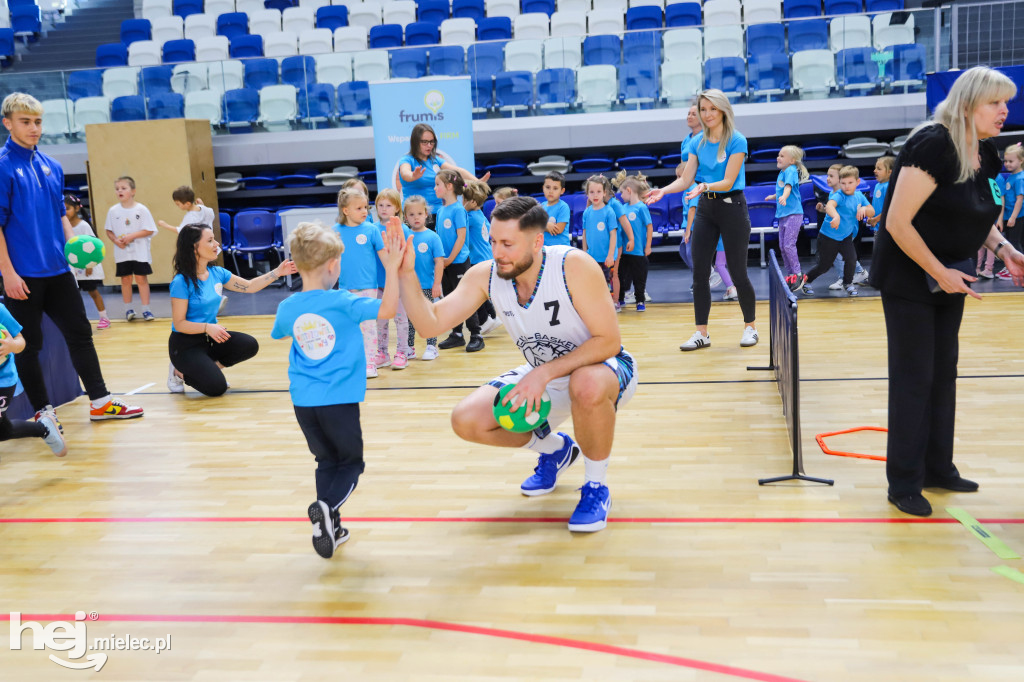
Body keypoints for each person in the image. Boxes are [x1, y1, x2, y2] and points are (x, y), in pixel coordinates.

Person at [398, 196, 638, 533]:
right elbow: (430, 324)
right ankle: (556, 451)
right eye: (493, 241)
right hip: (545, 374)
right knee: (467, 419)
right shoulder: (487, 275)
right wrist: (406, 274)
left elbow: (608, 342)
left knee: (585, 383)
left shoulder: (574, 265)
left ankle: (596, 487)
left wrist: (542, 373)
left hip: (603, 369)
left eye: (508, 243)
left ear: (537, 241)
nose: (498, 252)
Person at [869, 66, 1024, 516]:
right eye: (996, 102)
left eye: (1006, 103)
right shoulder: (932, 144)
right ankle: (903, 481)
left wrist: (1004, 249)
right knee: (914, 376)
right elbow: (897, 222)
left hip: (950, 276)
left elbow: (974, 216)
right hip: (909, 278)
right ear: (968, 103)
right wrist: (940, 269)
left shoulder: (987, 153)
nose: (1004, 111)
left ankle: (938, 467)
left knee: (943, 373)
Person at [0, 93, 144, 424]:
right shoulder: (3, 168)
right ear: (8, 124)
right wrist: (7, 272)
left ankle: (100, 401)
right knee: (29, 344)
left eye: (37, 122)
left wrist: (78, 251)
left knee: (80, 334)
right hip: (22, 275)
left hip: (59, 269)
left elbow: (59, 215)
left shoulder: (53, 166)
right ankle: (42, 412)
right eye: (25, 122)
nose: (34, 128)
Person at [272, 220, 406, 559]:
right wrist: (391, 269)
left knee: (325, 461)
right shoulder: (344, 301)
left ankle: (332, 526)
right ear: (333, 265)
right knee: (350, 463)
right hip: (339, 401)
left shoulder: (288, 307)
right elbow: (387, 310)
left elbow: (279, 332)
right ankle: (327, 509)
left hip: (304, 402)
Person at [645, 89, 757, 351]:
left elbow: (729, 181)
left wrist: (705, 186)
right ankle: (701, 333)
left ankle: (750, 326)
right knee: (700, 274)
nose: (706, 114)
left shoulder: (737, 140)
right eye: (702, 109)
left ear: (723, 110)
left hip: (732, 207)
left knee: (739, 273)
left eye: (711, 109)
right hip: (706, 209)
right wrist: (663, 190)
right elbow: (685, 179)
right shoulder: (696, 143)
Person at [167, 224, 296, 396]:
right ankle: (179, 372)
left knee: (249, 344)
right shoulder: (181, 282)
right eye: (210, 240)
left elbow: (250, 286)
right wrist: (207, 327)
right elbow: (179, 323)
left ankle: (207, 369)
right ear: (194, 247)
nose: (216, 244)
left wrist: (278, 272)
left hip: (211, 339)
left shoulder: (217, 273)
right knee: (216, 388)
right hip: (185, 345)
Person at [0, 301, 67, 457]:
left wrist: (11, 346)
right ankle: (44, 429)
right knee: (4, 432)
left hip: (3, 381)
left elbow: (21, 342)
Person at [333, 188, 387, 378]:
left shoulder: (371, 230)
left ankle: (370, 363)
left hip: (368, 288)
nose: (365, 211)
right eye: (359, 208)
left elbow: (385, 259)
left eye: (366, 207)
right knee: (348, 328)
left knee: (368, 327)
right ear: (345, 210)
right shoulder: (335, 232)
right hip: (345, 289)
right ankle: (353, 362)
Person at [800, 166, 874, 297]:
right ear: (840, 183)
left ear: (857, 183)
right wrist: (836, 216)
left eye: (850, 183)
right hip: (828, 237)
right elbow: (830, 206)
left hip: (845, 237)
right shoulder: (838, 195)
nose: (846, 186)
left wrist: (865, 210)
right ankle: (805, 281)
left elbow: (871, 210)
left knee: (851, 259)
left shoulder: (859, 196)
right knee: (824, 266)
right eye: (843, 183)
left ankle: (848, 283)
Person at [397, 123, 488, 225]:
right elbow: (405, 173)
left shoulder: (435, 160)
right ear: (415, 142)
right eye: (425, 142)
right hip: (414, 215)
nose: (429, 145)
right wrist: (413, 176)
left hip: (437, 213)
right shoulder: (407, 160)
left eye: (432, 142)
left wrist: (478, 181)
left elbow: (457, 171)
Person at [435, 169, 484, 353]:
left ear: (448, 187)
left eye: (438, 184)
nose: (435, 188)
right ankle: (456, 334)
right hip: (446, 263)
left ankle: (476, 334)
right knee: (450, 299)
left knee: (465, 299)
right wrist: (441, 260)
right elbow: (440, 238)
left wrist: (450, 259)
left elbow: (461, 238)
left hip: (459, 262)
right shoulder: (440, 211)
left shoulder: (458, 210)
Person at [104, 176, 158, 322]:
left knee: (141, 279)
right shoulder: (113, 211)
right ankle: (128, 309)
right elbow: (108, 231)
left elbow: (150, 230)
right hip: (122, 253)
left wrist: (132, 236)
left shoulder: (142, 209)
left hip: (140, 253)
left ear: (133, 191)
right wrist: (116, 240)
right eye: (117, 189)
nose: (119, 191)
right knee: (125, 279)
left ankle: (146, 310)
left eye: (123, 188)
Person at [373, 188, 412, 370]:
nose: (384, 208)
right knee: (380, 321)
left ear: (397, 208)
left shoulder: (402, 228)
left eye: (388, 205)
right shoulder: (373, 229)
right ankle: (382, 352)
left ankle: (402, 352)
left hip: (398, 284)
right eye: (380, 205)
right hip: (379, 283)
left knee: (401, 320)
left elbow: (406, 255)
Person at [403, 195, 444, 361]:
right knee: (409, 318)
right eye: (411, 214)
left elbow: (439, 262)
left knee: (427, 316)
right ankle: (409, 347)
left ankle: (431, 346)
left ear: (426, 214)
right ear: (406, 217)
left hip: (427, 285)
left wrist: (437, 284)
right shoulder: (406, 237)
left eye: (419, 213)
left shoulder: (433, 237)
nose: (416, 217)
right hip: (409, 287)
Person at [815, 164, 869, 290]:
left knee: (838, 255)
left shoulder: (847, 195)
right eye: (827, 175)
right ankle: (860, 272)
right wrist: (823, 210)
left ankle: (842, 278)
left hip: (847, 230)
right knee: (844, 255)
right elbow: (833, 212)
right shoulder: (832, 194)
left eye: (831, 176)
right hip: (837, 229)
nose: (827, 178)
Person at [765, 145, 809, 289]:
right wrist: (774, 196)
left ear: (792, 160)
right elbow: (782, 189)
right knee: (783, 247)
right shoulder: (783, 172)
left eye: (782, 156)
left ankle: (798, 274)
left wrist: (783, 196)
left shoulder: (790, 170)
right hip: (784, 215)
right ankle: (791, 275)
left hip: (794, 214)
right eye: (779, 154)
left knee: (789, 245)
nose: (778, 157)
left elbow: (788, 187)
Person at [66, 194, 109, 330]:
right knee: (74, 296)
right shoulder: (63, 226)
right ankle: (79, 320)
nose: (65, 212)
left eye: (68, 208)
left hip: (87, 268)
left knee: (93, 292)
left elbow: (94, 247)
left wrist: (90, 265)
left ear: (77, 208)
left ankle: (104, 318)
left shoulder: (84, 226)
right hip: (73, 269)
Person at [463, 180, 501, 335]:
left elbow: (459, 223)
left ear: (471, 202)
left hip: (478, 260)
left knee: (474, 293)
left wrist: (464, 209)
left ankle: (485, 320)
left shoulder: (469, 217)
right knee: (483, 292)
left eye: (464, 200)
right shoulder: (480, 215)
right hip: (487, 258)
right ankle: (492, 317)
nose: (462, 203)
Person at [614, 172, 653, 312]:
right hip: (624, 251)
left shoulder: (641, 207)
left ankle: (640, 301)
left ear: (629, 191)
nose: (621, 195)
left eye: (622, 192)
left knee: (639, 278)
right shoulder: (623, 208)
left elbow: (649, 226)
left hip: (638, 251)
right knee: (622, 276)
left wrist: (648, 245)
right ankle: (621, 298)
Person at [581, 175, 619, 300]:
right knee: (593, 282)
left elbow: (613, 235)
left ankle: (611, 304)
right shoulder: (587, 212)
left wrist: (610, 255)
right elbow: (585, 233)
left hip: (606, 257)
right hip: (592, 256)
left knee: (608, 282)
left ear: (604, 193)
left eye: (598, 192)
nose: (595, 195)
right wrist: (585, 252)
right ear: (587, 194)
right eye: (592, 192)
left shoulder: (609, 212)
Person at [993, 142, 1024, 280]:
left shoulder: (1020, 178)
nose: (1007, 164)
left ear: (1021, 160)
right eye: (1005, 161)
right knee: (1012, 241)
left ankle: (1017, 266)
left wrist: (1012, 217)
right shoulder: (1012, 176)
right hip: (1010, 216)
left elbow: (1019, 200)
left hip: (1016, 217)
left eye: (1011, 161)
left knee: (1014, 243)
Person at [541, 172, 571, 247]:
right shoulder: (541, 206)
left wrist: (541, 225)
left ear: (562, 191)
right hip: (545, 249)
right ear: (543, 188)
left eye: (555, 188)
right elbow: (534, 226)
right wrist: (546, 225)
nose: (551, 191)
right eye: (548, 187)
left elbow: (558, 229)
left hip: (561, 249)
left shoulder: (563, 207)